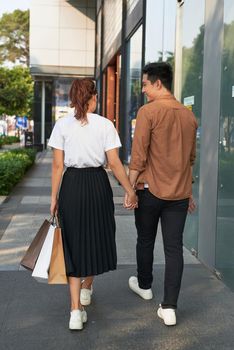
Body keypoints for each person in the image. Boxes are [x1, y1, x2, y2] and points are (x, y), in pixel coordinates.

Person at [48, 78, 137, 331]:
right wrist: (129, 190)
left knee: (74, 243)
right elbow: (115, 164)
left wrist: (54, 198)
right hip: (98, 184)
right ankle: (87, 287)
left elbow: (57, 166)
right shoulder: (105, 124)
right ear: (93, 98)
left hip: (72, 186)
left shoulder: (62, 125)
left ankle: (75, 310)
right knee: (96, 236)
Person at [127, 62, 197, 326]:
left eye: (145, 84)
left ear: (158, 83)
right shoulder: (189, 116)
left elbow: (138, 156)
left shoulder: (148, 112)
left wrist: (130, 189)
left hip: (150, 191)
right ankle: (169, 307)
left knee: (145, 240)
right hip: (179, 194)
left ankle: (145, 285)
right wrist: (188, 191)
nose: (143, 89)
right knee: (174, 249)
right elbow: (190, 159)